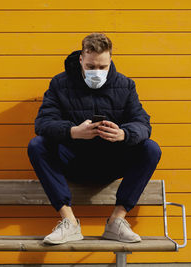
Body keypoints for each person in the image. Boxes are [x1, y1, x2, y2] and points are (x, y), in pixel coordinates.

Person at [27, 33, 162, 245]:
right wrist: (73, 131)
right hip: (72, 163)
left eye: (102, 67)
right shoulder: (60, 84)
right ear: (81, 59)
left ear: (110, 61)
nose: (96, 72)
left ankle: (116, 221)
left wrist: (123, 134)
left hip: (111, 164)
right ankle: (69, 222)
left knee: (151, 149)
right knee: (37, 145)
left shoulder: (125, 86)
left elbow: (143, 124)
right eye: (90, 67)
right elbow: (42, 123)